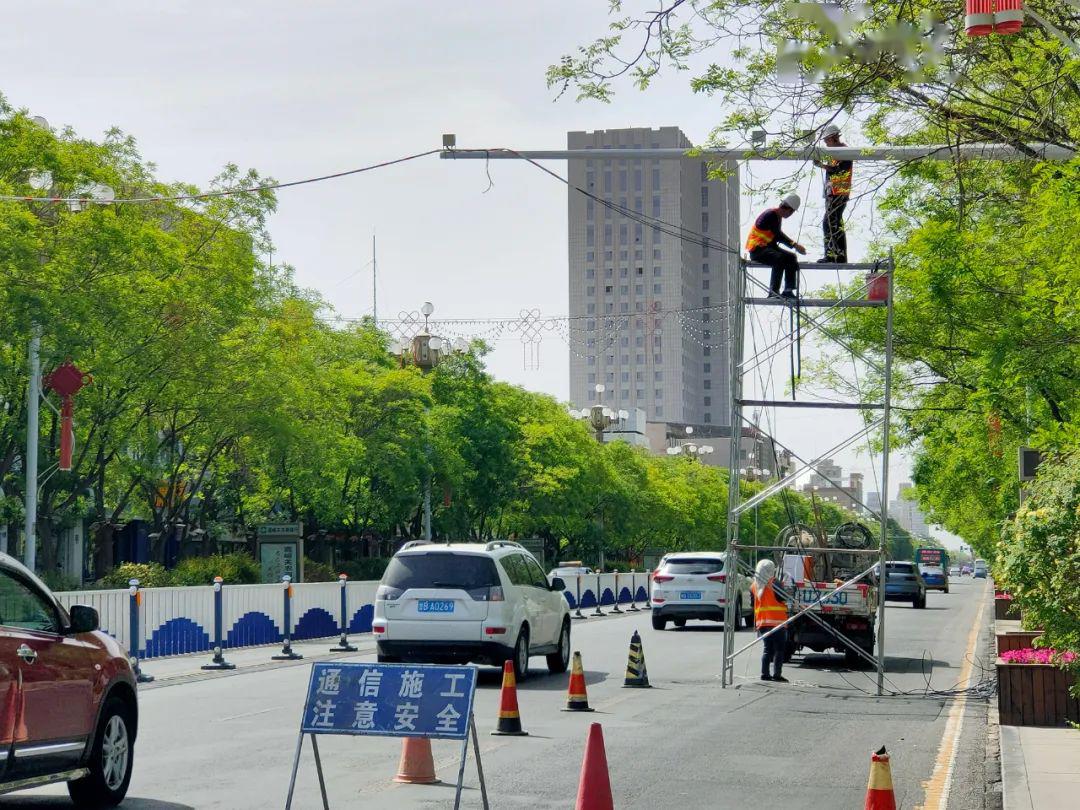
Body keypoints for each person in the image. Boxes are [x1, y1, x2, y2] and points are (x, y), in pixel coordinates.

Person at [745, 194, 806, 299]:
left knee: (791, 257)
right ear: (787, 209)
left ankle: (788, 290)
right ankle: (773, 292)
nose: (790, 215)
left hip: (767, 247)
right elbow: (778, 235)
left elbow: (774, 237)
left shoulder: (777, 217)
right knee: (779, 258)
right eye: (791, 212)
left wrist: (793, 246)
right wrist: (795, 245)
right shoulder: (770, 215)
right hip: (757, 249)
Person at [812, 123, 852, 263]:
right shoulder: (834, 153)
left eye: (826, 140)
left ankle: (833, 255)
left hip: (839, 192)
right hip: (834, 192)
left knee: (829, 223)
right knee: (834, 222)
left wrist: (821, 165)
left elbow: (838, 170)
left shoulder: (844, 151)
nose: (825, 143)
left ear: (834, 137)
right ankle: (839, 255)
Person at [750, 559, 790, 682]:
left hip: (762, 623)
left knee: (767, 649)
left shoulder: (754, 586)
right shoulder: (774, 582)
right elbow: (783, 598)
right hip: (777, 623)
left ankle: (765, 673)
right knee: (779, 649)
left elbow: (753, 604)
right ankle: (777, 674)